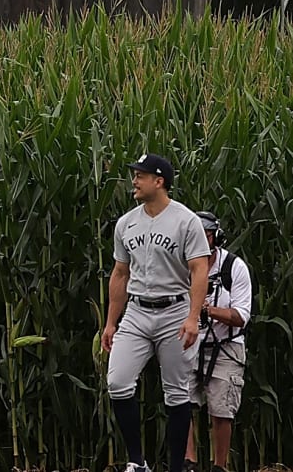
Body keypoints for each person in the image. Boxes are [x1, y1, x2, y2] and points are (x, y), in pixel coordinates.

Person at [101, 154, 212, 472]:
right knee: (118, 381)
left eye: (141, 175)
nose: (134, 181)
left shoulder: (185, 220)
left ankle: (176, 466)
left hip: (174, 311)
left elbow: (199, 269)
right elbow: (120, 274)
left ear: (159, 180)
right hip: (137, 311)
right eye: (135, 175)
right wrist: (111, 322)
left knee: (176, 391)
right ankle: (137, 463)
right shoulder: (127, 223)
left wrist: (192, 317)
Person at [184, 211, 252, 472]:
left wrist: (207, 311)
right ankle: (188, 462)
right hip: (189, 341)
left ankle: (219, 466)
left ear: (216, 238)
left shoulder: (234, 268)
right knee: (182, 402)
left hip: (226, 345)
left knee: (221, 409)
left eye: (206, 236)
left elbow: (241, 316)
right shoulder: (181, 268)